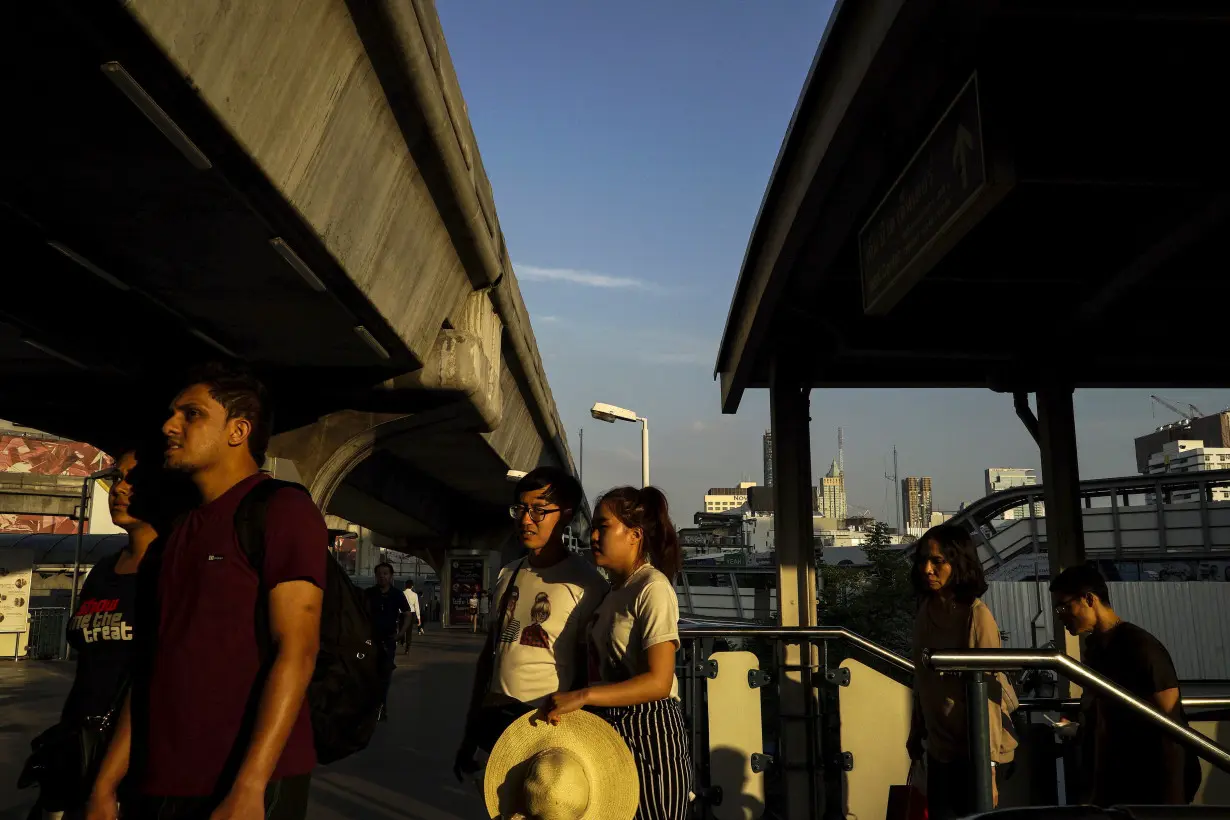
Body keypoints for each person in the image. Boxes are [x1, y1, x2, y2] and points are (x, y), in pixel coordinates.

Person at [88, 363, 327, 820]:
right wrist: (105, 783)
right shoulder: (177, 533)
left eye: (191, 414)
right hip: (158, 781)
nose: (169, 426)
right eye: (172, 413)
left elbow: (297, 651)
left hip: (244, 785)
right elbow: (153, 668)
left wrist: (251, 785)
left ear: (239, 430)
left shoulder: (281, 510)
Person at [27, 445, 193, 820]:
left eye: (134, 479)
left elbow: (158, 678)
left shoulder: (175, 569)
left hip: (140, 760)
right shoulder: (103, 570)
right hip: (81, 750)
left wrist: (108, 781)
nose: (118, 488)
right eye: (117, 477)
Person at [545, 486, 692, 820]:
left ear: (634, 535)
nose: (593, 536)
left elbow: (658, 681)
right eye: (593, 527)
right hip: (613, 727)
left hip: (651, 731)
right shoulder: (613, 592)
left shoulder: (652, 588)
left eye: (603, 527)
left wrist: (583, 696)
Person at [453, 466, 607, 781]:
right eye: (521, 509)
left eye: (538, 511)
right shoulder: (507, 574)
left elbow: (589, 673)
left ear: (565, 515)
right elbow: (490, 656)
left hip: (547, 727)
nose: (526, 519)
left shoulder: (586, 585)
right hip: (497, 722)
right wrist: (470, 732)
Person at [1051, 563, 1196, 806]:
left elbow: (1172, 729)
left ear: (1088, 599)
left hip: (1147, 783)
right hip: (1118, 783)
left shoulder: (1139, 647)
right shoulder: (1096, 649)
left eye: (1064, 606)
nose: (1061, 616)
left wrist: (1173, 800)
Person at [907, 524, 1015, 819]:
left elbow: (991, 695)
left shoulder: (976, 616)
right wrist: (916, 730)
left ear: (958, 563)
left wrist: (989, 768)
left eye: (937, 561)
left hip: (976, 749)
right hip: (939, 746)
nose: (927, 569)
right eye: (923, 561)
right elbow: (923, 678)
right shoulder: (926, 610)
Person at [367, 562, 410, 719]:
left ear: (391, 576)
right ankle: (372, 705)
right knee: (370, 674)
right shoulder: (369, 593)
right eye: (379, 573)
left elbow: (407, 613)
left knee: (385, 675)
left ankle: (381, 706)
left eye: (385, 573)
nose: (382, 576)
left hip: (388, 641)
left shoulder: (397, 594)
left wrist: (401, 633)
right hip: (370, 641)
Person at [402, 579, 423, 653]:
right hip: (411, 614)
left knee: (402, 628)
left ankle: (402, 640)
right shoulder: (415, 595)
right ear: (412, 586)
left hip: (403, 613)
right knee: (409, 631)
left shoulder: (402, 593)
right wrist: (419, 618)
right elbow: (416, 607)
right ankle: (408, 647)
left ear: (405, 585)